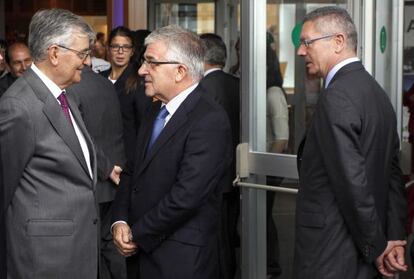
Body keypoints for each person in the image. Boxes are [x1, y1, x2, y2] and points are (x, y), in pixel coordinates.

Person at [111, 25, 233, 279]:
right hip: (142, 255)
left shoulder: (209, 119)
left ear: (180, 71)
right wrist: (120, 220)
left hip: (180, 260)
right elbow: (132, 170)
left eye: (151, 63)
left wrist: (136, 233)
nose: (142, 70)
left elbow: (186, 196)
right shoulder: (154, 109)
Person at [295, 6, 407, 279]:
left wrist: (377, 246)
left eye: (307, 42)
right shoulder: (376, 92)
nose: (300, 51)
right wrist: (392, 236)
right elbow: (393, 174)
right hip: (357, 249)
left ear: (338, 42)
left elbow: (352, 181)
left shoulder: (337, 97)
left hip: (331, 254)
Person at [0, 9, 100, 278]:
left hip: (75, 253)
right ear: (55, 53)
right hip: (43, 260)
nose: (86, 61)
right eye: (81, 53)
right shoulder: (18, 106)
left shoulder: (65, 96)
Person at [67, 66, 127, 279]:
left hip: (96, 176)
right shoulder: (105, 82)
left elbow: (81, 135)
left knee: (93, 250)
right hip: (115, 176)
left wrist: (106, 167)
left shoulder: (70, 87)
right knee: (112, 244)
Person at [199, 33, 240, 279]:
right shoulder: (238, 84)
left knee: (216, 237)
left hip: (213, 175)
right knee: (229, 233)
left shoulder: (202, 88)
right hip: (237, 171)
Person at [101, 27, 152, 166]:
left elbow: (144, 125)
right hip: (101, 153)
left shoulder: (139, 81)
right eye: (116, 46)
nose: (120, 52)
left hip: (128, 156)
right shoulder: (100, 78)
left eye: (126, 47)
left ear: (132, 51)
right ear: (108, 49)